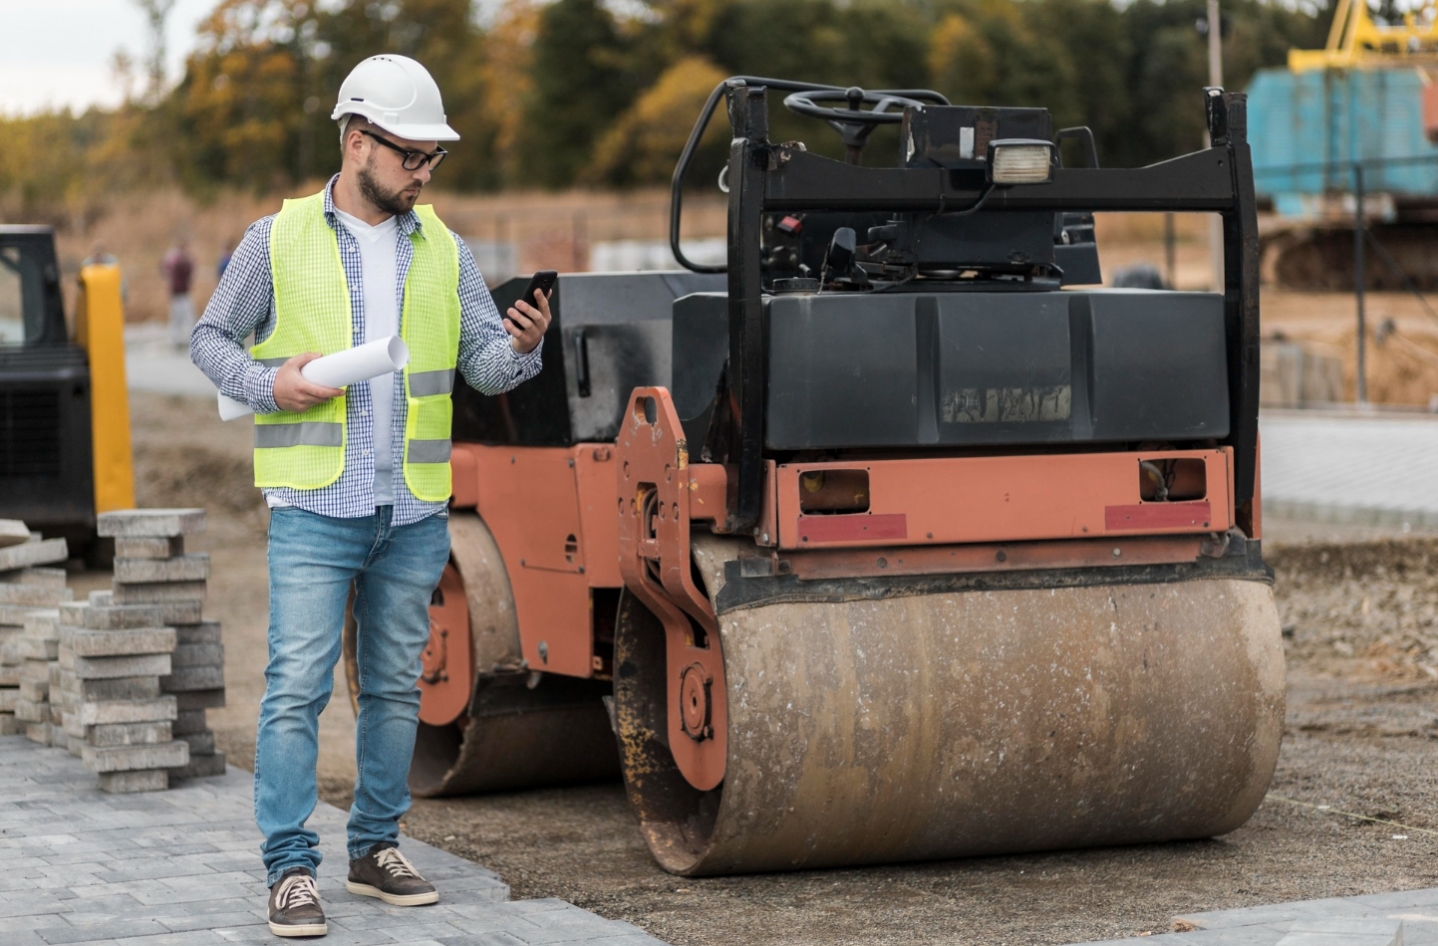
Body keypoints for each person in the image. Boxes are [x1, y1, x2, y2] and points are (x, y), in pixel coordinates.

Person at [189, 54, 552, 939]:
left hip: (413, 509)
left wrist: (526, 346)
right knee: (295, 690)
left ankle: (375, 846)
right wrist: (274, 386)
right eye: (413, 156)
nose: (426, 174)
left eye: (435, 159)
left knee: (395, 688)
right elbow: (209, 340)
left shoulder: (447, 250)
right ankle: (289, 869)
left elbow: (483, 368)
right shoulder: (274, 239)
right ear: (359, 143)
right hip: (314, 505)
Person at [161, 238, 195, 348]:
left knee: (184, 318)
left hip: (180, 293)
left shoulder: (172, 259)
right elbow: (188, 270)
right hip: (179, 293)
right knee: (181, 318)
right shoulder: (178, 261)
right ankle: (177, 339)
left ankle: (181, 339)